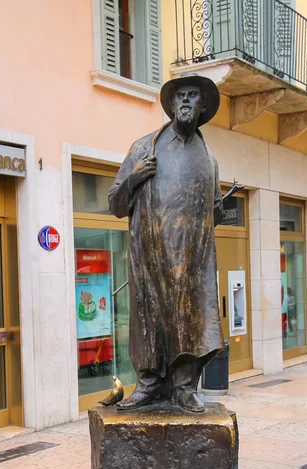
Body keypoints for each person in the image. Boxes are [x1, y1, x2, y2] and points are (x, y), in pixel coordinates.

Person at [108, 72, 224, 413]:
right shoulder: (145, 147)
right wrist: (135, 177)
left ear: (203, 107)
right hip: (151, 258)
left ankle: (184, 387)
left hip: (193, 260)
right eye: (180, 96)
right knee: (150, 318)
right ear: (171, 105)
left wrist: (215, 207)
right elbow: (115, 203)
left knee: (194, 321)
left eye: (193, 96)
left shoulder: (209, 158)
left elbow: (214, 213)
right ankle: (149, 384)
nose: (186, 101)